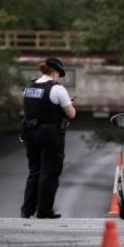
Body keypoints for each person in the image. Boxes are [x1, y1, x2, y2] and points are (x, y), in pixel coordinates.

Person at [20, 57, 76, 219]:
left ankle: (27, 210)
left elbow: (32, 108)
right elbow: (71, 113)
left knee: (34, 171)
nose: (59, 77)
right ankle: (44, 210)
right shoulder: (57, 89)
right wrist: (69, 105)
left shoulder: (29, 87)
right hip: (50, 134)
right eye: (59, 74)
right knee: (49, 172)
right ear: (54, 72)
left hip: (30, 133)